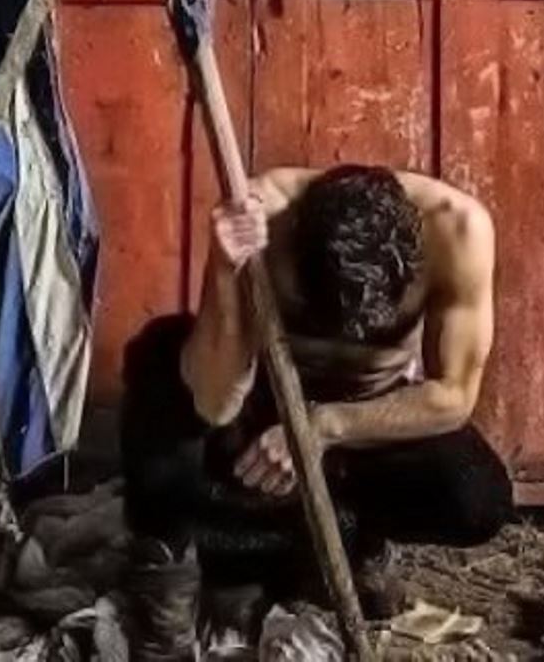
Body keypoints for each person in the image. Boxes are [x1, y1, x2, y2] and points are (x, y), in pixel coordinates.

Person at [120, 165, 514, 660]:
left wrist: (322, 427)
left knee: (476, 498)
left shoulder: (458, 229)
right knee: (159, 361)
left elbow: (454, 396)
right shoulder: (258, 220)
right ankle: (169, 579)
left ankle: (352, 542)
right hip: (255, 418)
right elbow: (215, 402)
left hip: (359, 426)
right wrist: (224, 268)